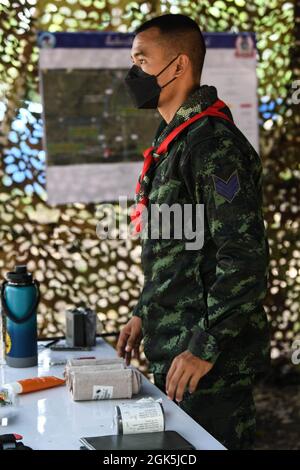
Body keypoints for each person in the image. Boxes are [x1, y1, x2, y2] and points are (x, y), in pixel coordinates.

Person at [117, 14, 270, 450]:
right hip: (176, 352)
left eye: (142, 60)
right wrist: (146, 310)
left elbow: (243, 259)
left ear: (179, 66)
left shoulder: (212, 146)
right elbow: (179, 249)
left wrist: (204, 346)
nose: (135, 73)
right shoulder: (174, 143)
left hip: (209, 366)